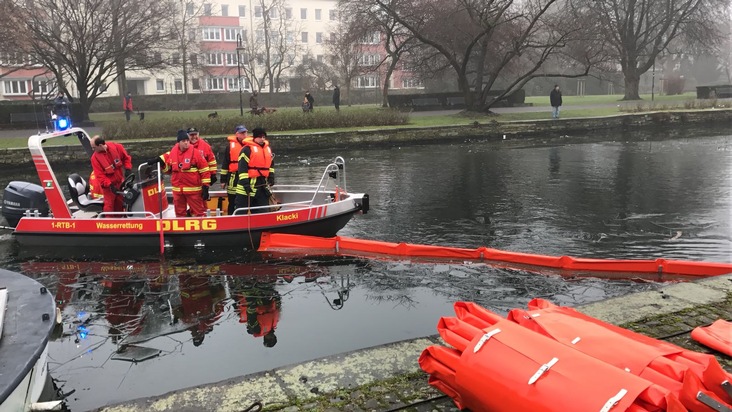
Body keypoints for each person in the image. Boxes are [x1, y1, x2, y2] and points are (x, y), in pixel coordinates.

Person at [149, 130, 210, 217]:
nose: (186, 143)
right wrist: (162, 164)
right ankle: (182, 229)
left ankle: (202, 229)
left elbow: (205, 170)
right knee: (179, 214)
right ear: (178, 142)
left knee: (199, 212)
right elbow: (169, 170)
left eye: (187, 141)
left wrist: (205, 186)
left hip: (193, 190)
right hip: (178, 191)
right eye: (184, 141)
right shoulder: (173, 154)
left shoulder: (196, 154)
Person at [234, 127, 275, 214]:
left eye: (264, 137)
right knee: (241, 211)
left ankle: (262, 225)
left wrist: (271, 176)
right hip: (246, 186)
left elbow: (270, 165)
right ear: (254, 138)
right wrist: (245, 184)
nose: (262, 139)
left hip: (261, 185)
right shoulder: (246, 150)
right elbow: (242, 168)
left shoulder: (267, 150)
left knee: (263, 210)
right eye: (260, 137)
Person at [90, 136, 132, 214]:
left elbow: (126, 158)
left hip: (120, 183)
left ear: (100, 146)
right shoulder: (95, 158)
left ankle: (120, 222)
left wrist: (128, 169)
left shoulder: (117, 147)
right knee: (109, 207)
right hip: (108, 188)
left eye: (93, 147)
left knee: (120, 205)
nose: (93, 150)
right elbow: (100, 175)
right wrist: (110, 185)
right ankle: (109, 223)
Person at [219, 125, 248, 215]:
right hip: (233, 177)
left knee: (245, 199)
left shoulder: (250, 146)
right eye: (242, 133)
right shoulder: (230, 147)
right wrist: (223, 180)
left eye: (245, 133)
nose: (244, 135)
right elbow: (225, 163)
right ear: (237, 134)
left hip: (246, 176)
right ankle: (231, 216)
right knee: (232, 200)